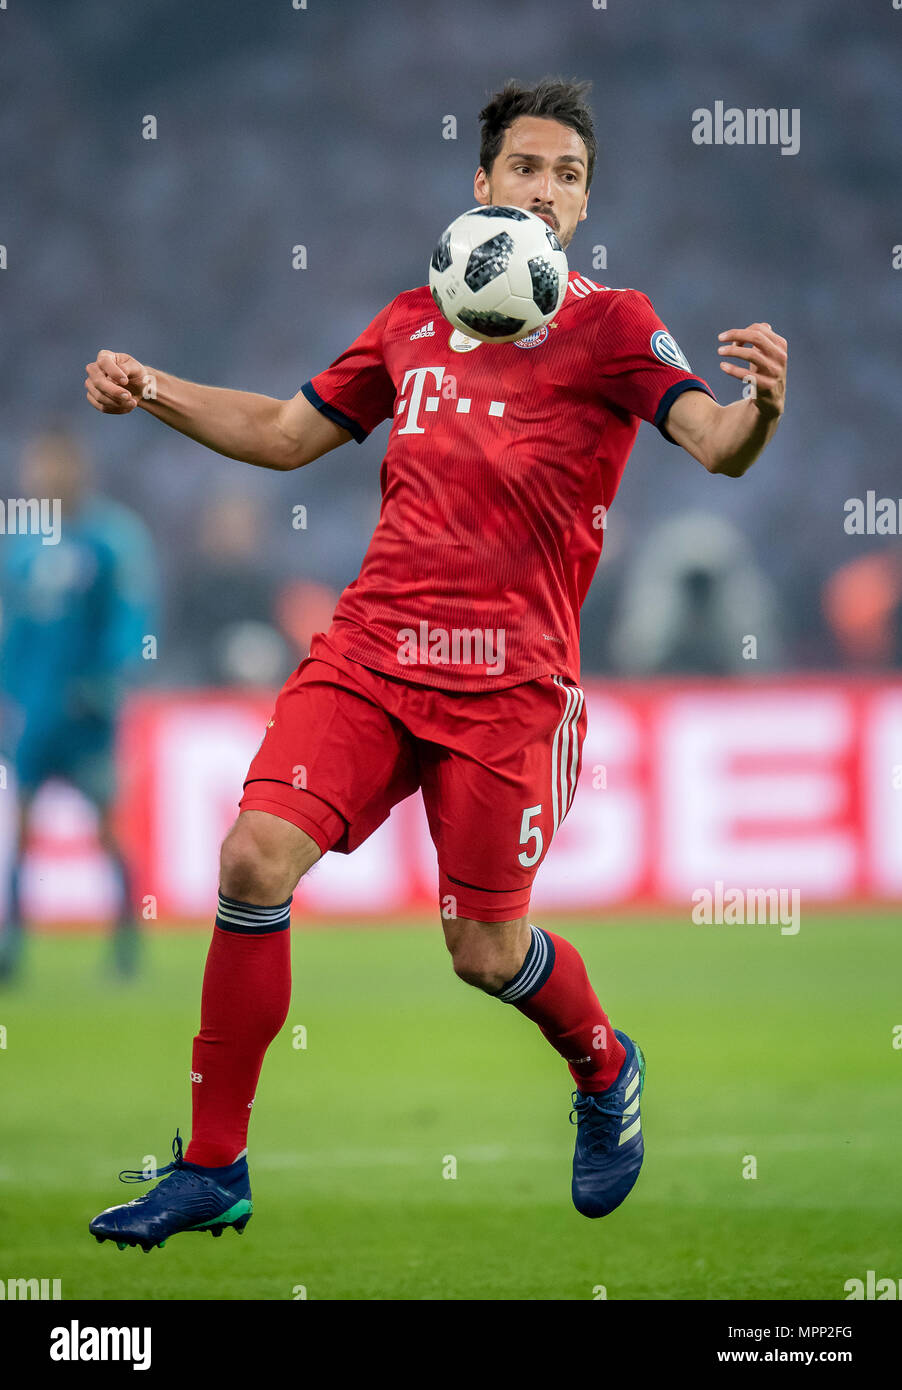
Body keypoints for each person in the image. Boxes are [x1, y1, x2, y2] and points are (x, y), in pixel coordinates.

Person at [83, 77, 787, 1251]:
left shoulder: (613, 326)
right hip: (370, 654)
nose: (545, 190)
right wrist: (151, 385)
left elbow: (715, 445)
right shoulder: (411, 319)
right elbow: (282, 433)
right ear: (482, 184)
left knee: (482, 950)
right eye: (526, 167)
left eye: (568, 176)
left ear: (581, 203)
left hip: (509, 690)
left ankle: (603, 1066)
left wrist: (758, 405)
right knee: (254, 856)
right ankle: (212, 1164)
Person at [0, 429, 158, 981]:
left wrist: (107, 682)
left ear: (75, 470)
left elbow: (131, 616)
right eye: (35, 468)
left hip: (87, 716)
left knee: (108, 826)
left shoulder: (111, 538)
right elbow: (11, 631)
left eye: (51, 467)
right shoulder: (20, 546)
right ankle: (11, 948)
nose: (41, 477)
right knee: (17, 828)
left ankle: (126, 946)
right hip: (31, 716)